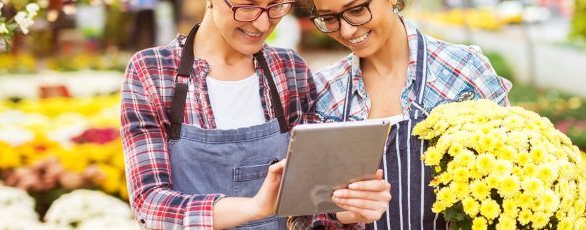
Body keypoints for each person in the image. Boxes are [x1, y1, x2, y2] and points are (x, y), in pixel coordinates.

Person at [120, 0, 391, 228]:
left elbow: (311, 201)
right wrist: (255, 207)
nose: (262, 24)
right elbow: (150, 202)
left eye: (275, 6)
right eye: (248, 6)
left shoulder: (289, 69)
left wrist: (347, 208)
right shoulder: (151, 71)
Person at [290, 0, 513, 229]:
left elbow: (513, 178)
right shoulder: (324, 91)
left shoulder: (464, 70)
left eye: (356, 10)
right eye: (329, 18)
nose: (346, 30)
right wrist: (342, 215)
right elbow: (301, 215)